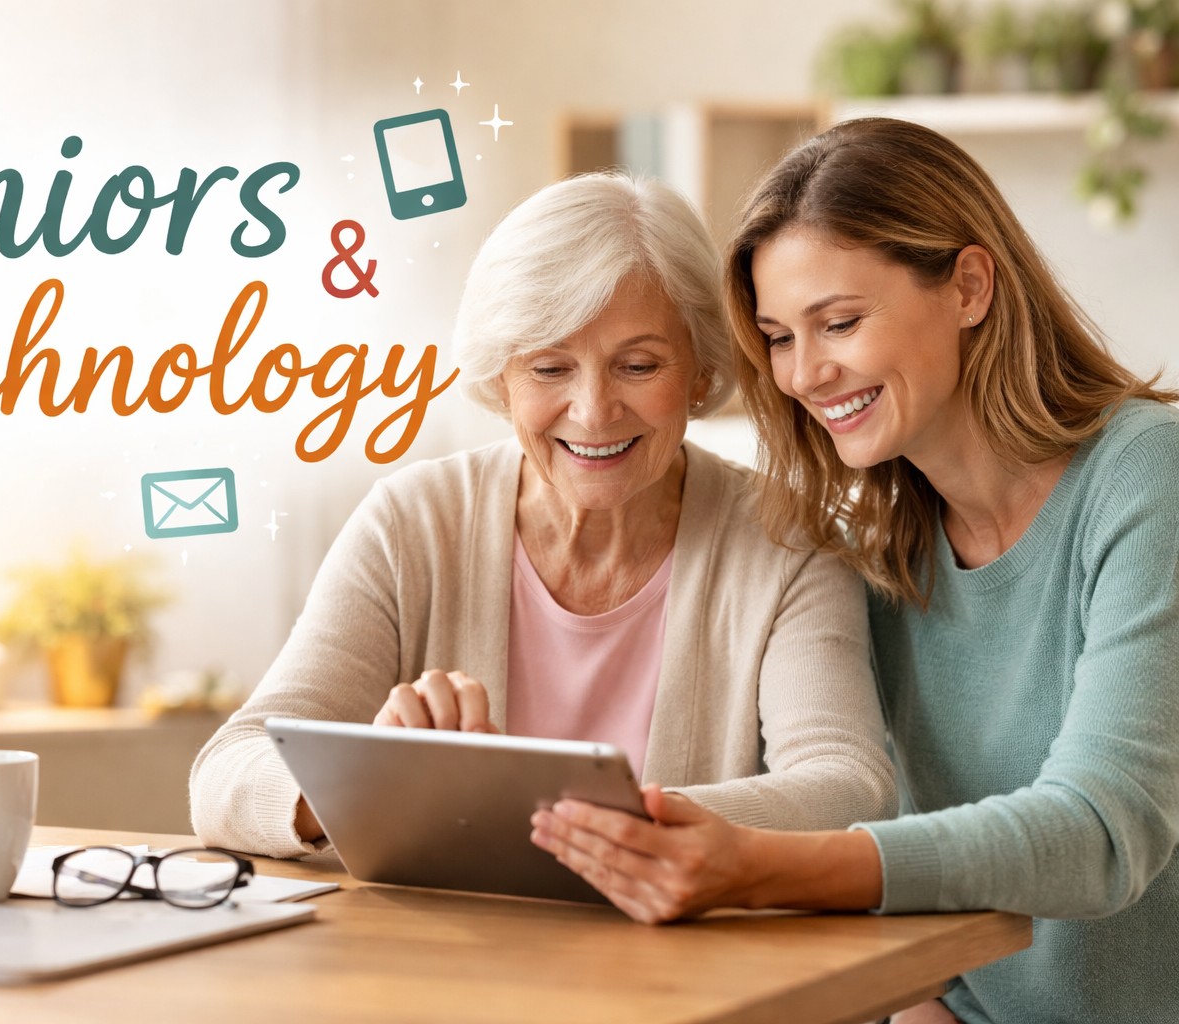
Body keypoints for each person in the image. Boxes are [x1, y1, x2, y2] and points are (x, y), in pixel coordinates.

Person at [528, 120, 1179, 1024]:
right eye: (778, 337)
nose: (805, 373)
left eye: (839, 322)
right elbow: (931, 877)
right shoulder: (879, 545)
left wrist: (763, 866)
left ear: (970, 287)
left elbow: (1102, 834)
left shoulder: (1150, 479)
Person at [190, 172, 895, 860]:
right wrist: (371, 781)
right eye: (550, 369)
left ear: (702, 371)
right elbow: (227, 774)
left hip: (684, 971)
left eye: (639, 366)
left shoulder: (788, 540)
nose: (593, 412)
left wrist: (597, 821)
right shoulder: (413, 522)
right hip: (442, 965)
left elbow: (848, 788)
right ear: (501, 379)